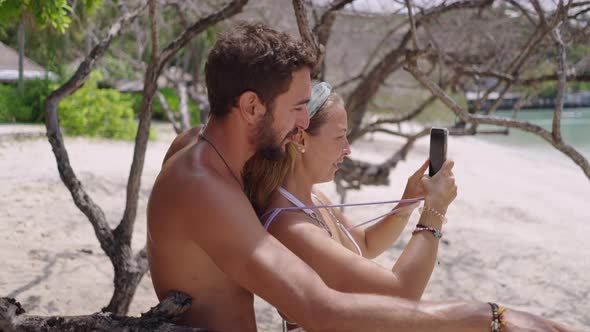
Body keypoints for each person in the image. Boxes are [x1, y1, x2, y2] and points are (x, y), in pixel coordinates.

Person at [147, 22, 576, 332]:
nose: (301, 122)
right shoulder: (203, 187)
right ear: (251, 106)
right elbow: (319, 309)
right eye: (297, 106)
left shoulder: (200, 146)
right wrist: (486, 317)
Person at [243, 82, 452, 330]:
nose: (348, 149)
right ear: (300, 139)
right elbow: (402, 296)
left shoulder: (312, 198)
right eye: (340, 137)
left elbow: (365, 244)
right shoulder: (291, 226)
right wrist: (434, 211)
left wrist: (407, 202)